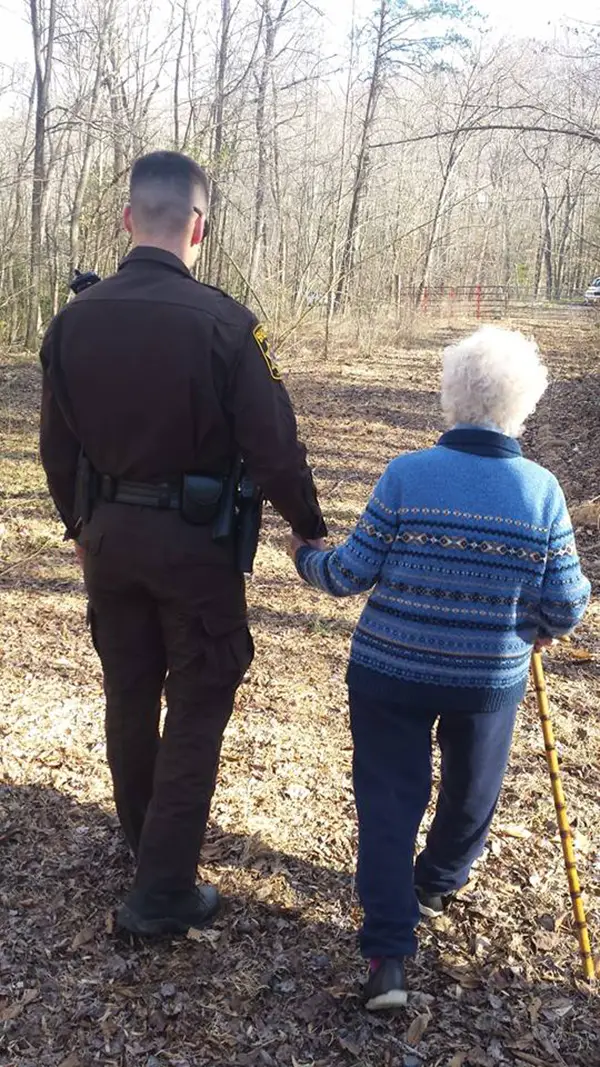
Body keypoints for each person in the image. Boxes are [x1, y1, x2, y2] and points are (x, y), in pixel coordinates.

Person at [39, 150, 326, 936]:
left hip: (108, 542)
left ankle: (146, 842)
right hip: (194, 546)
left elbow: (56, 451)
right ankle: (161, 890)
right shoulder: (228, 323)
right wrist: (307, 526)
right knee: (199, 699)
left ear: (129, 218)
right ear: (198, 226)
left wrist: (79, 527)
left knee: (129, 692)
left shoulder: (71, 322)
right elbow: (274, 448)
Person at [288, 326, 590, 1011]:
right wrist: (541, 626)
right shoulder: (541, 492)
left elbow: (350, 572)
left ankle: (388, 957)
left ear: (450, 398)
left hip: (388, 670)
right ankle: (434, 882)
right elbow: (568, 601)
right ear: (525, 405)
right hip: (486, 679)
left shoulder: (406, 474)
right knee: (471, 794)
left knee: (389, 803)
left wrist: (306, 556)